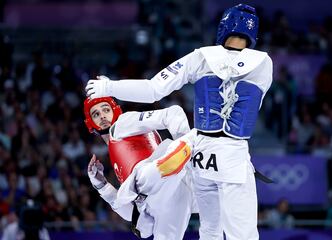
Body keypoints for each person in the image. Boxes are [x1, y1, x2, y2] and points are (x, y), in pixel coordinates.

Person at [85, 4, 273, 239]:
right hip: (233, 155)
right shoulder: (265, 64)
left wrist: (109, 86)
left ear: (223, 27)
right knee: (243, 236)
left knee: (210, 231)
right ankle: (172, 155)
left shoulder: (201, 57)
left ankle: (177, 152)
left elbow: (153, 89)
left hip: (202, 153)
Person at [83, 96, 197, 240]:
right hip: (169, 199)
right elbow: (128, 212)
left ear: (115, 111)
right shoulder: (114, 152)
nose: (103, 116)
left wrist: (187, 145)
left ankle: (190, 142)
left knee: (141, 179)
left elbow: (172, 113)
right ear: (90, 124)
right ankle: (186, 150)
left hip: (155, 177)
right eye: (96, 114)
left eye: (106, 110)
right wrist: (102, 185)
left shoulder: (123, 123)